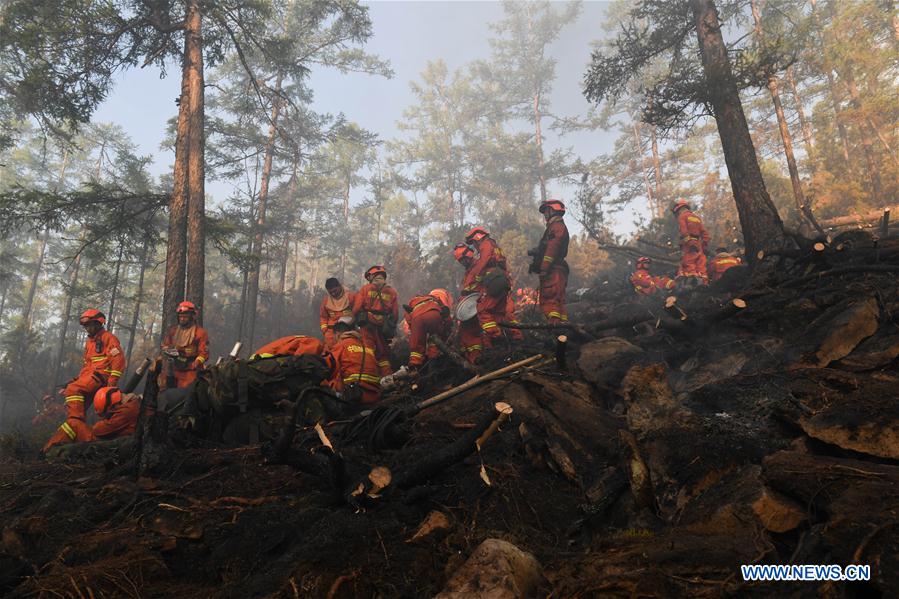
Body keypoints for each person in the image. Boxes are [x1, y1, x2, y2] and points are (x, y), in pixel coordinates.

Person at [43, 309, 125, 453]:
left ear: (99, 323)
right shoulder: (89, 343)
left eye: (90, 325)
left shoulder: (108, 338)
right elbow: (87, 367)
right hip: (90, 378)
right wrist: (75, 381)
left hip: (101, 378)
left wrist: (112, 384)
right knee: (71, 419)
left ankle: (83, 431)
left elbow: (118, 360)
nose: (87, 328)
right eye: (85, 326)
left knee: (74, 391)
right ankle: (49, 448)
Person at [464, 227, 521, 344]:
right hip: (501, 280)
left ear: (477, 238)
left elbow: (482, 263)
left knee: (483, 310)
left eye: (473, 243)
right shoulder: (495, 246)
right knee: (499, 313)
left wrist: (476, 280)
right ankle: (514, 338)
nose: (474, 246)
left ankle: (496, 337)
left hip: (494, 281)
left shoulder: (486, 245)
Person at [351, 265, 398, 376]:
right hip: (383, 325)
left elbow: (357, 308)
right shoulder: (392, 291)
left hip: (367, 323)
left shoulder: (365, 289)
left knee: (368, 349)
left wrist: (353, 319)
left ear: (371, 276)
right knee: (383, 353)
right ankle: (387, 377)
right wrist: (391, 326)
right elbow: (395, 314)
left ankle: (370, 375)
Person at [532, 199, 570, 324]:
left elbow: (552, 248)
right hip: (558, 269)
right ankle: (563, 330)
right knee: (559, 301)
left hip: (553, 270)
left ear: (552, 210)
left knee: (550, 300)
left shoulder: (556, 227)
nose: (545, 215)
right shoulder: (558, 226)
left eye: (546, 212)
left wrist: (544, 267)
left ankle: (554, 329)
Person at [329, 316, 382, 404]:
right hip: (375, 395)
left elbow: (330, 369)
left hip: (354, 396)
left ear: (338, 334)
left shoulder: (341, 346)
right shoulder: (366, 348)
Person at [160, 301, 209, 388]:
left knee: (188, 393)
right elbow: (165, 345)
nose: (182, 319)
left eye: (185, 317)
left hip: (191, 371)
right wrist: (168, 350)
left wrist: (196, 363)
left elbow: (204, 353)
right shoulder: (173, 331)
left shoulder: (200, 333)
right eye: (181, 316)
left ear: (192, 317)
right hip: (174, 369)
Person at [404, 289, 453, 371]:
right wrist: (448, 328)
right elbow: (446, 316)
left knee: (416, 345)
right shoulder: (434, 299)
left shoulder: (412, 302)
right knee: (434, 339)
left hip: (417, 318)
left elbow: (409, 319)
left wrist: (415, 330)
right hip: (433, 314)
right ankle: (434, 360)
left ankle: (414, 366)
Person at [454, 243, 485, 364]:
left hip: (480, 304)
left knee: (478, 330)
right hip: (471, 307)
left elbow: (483, 286)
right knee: (465, 332)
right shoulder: (468, 272)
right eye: (460, 261)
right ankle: (472, 357)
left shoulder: (480, 266)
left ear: (469, 254)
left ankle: (479, 356)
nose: (463, 262)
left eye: (463, 259)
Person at [671, 199, 710, 286]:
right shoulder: (696, 217)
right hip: (698, 244)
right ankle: (704, 285)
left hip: (689, 245)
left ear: (679, 209)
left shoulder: (682, 217)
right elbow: (705, 233)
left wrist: (690, 243)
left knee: (689, 265)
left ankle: (692, 286)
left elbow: (684, 232)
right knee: (701, 265)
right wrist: (704, 245)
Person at [319, 278, 354, 349]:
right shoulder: (326, 300)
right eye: (330, 292)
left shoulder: (350, 296)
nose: (333, 293)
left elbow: (357, 311)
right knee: (329, 352)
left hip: (347, 330)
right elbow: (323, 317)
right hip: (330, 333)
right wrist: (324, 330)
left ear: (339, 286)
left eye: (335, 291)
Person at [250, 335, 325, 360]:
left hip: (259, 358)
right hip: (263, 360)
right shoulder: (315, 344)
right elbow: (299, 362)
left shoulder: (307, 339)